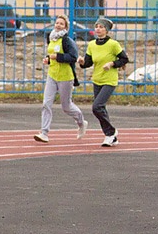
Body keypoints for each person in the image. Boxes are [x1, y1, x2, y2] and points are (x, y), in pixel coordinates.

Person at [34, 14, 87, 143]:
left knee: (66, 106)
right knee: (46, 103)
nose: (58, 25)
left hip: (65, 77)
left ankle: (81, 122)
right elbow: (51, 53)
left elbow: (73, 57)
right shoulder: (51, 38)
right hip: (52, 75)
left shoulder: (67, 41)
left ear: (66, 27)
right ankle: (44, 133)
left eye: (61, 24)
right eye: (57, 23)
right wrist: (48, 59)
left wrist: (57, 57)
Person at [77, 16, 129, 147]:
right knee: (101, 109)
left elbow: (124, 59)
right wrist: (82, 62)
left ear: (106, 30)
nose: (98, 29)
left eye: (101, 27)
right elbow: (88, 63)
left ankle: (110, 133)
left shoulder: (113, 44)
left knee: (97, 107)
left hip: (109, 80)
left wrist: (112, 63)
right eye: (96, 27)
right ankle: (112, 137)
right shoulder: (92, 45)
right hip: (97, 80)